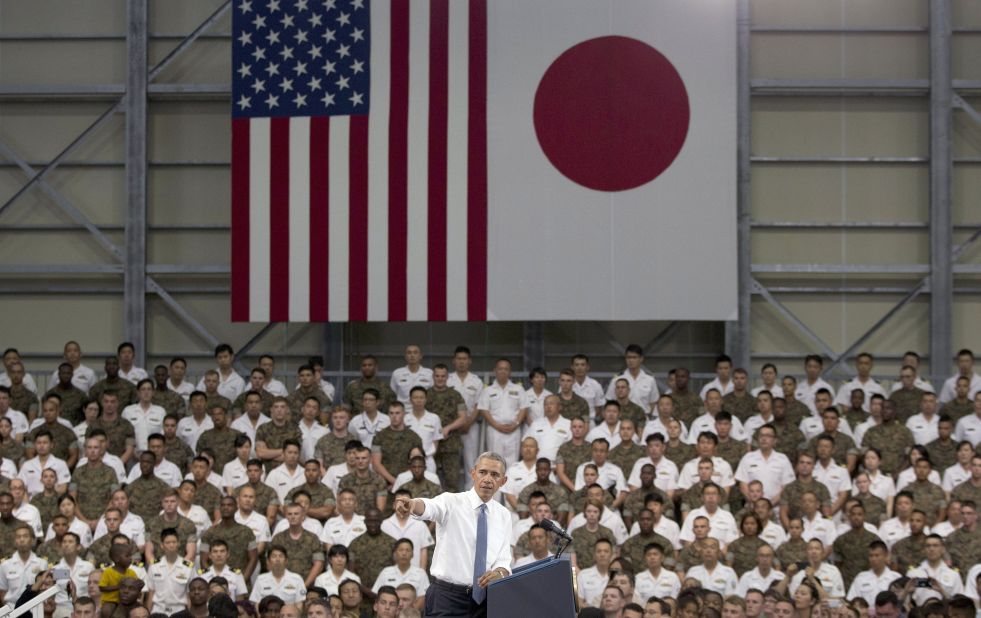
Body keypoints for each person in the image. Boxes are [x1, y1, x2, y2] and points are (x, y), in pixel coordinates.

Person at [394, 452, 512, 617]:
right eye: (482, 472)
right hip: (447, 598)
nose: (487, 479)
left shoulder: (504, 515)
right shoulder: (451, 501)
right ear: (473, 474)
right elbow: (430, 507)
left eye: (494, 475)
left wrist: (499, 573)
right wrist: (412, 504)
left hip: (484, 601)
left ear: (503, 481)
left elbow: (503, 559)